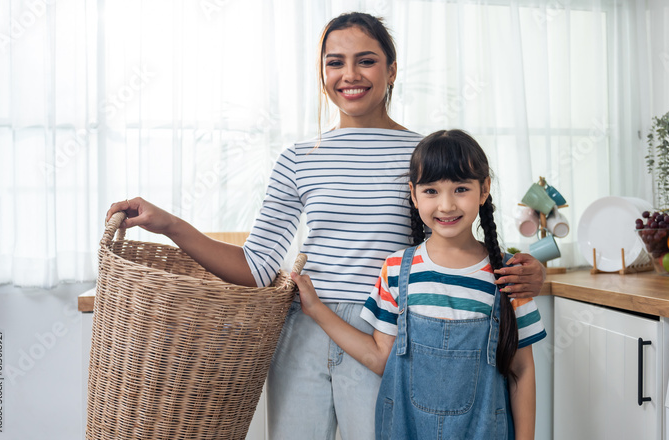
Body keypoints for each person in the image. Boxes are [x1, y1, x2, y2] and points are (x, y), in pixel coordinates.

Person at [104, 12, 546, 440]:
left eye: (366, 60)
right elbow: (257, 267)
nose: (349, 74)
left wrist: (532, 271)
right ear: (322, 74)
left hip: (387, 334)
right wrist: (170, 225)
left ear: (392, 70)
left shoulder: (423, 158)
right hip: (303, 325)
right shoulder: (298, 159)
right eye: (335, 62)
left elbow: (458, 241)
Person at [292, 129, 545, 440]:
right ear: (413, 194)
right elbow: (379, 357)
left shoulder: (508, 276)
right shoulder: (397, 269)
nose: (447, 205)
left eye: (461, 188)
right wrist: (316, 309)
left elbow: (522, 369)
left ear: (484, 190)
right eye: (431, 191)